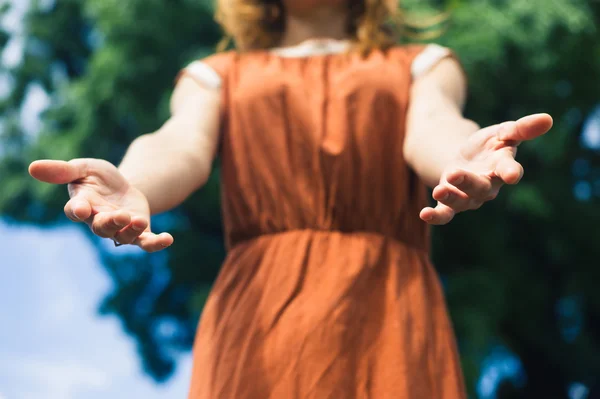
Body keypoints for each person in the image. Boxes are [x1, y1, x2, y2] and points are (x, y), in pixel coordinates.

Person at [29, 0, 553, 397]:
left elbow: (434, 128)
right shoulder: (217, 74)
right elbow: (179, 143)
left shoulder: (422, 63)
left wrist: (459, 161)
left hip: (385, 302)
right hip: (258, 310)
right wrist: (133, 183)